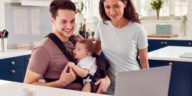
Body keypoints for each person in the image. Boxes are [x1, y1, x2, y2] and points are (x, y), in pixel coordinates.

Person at [24, 0, 109, 93]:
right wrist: (61, 83)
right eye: (63, 21)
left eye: (72, 21)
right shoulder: (43, 49)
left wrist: (106, 79)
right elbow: (27, 85)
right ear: (53, 20)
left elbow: (92, 63)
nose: (69, 26)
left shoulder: (75, 41)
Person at [95, 0, 149, 94]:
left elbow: (144, 62)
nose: (112, 12)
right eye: (107, 7)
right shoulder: (101, 25)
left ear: (125, 4)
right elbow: (96, 52)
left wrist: (147, 86)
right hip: (109, 86)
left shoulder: (138, 29)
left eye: (116, 6)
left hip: (133, 83)